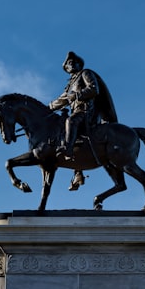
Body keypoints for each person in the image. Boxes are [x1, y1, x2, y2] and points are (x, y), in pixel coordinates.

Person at [48, 51, 117, 190]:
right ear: (66, 69)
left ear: (79, 64)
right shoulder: (69, 85)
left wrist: (77, 95)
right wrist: (47, 109)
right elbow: (62, 100)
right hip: (77, 112)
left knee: (70, 122)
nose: (70, 64)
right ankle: (78, 171)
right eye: (68, 63)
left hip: (87, 112)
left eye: (73, 62)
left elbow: (94, 89)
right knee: (61, 128)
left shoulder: (85, 73)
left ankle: (67, 151)